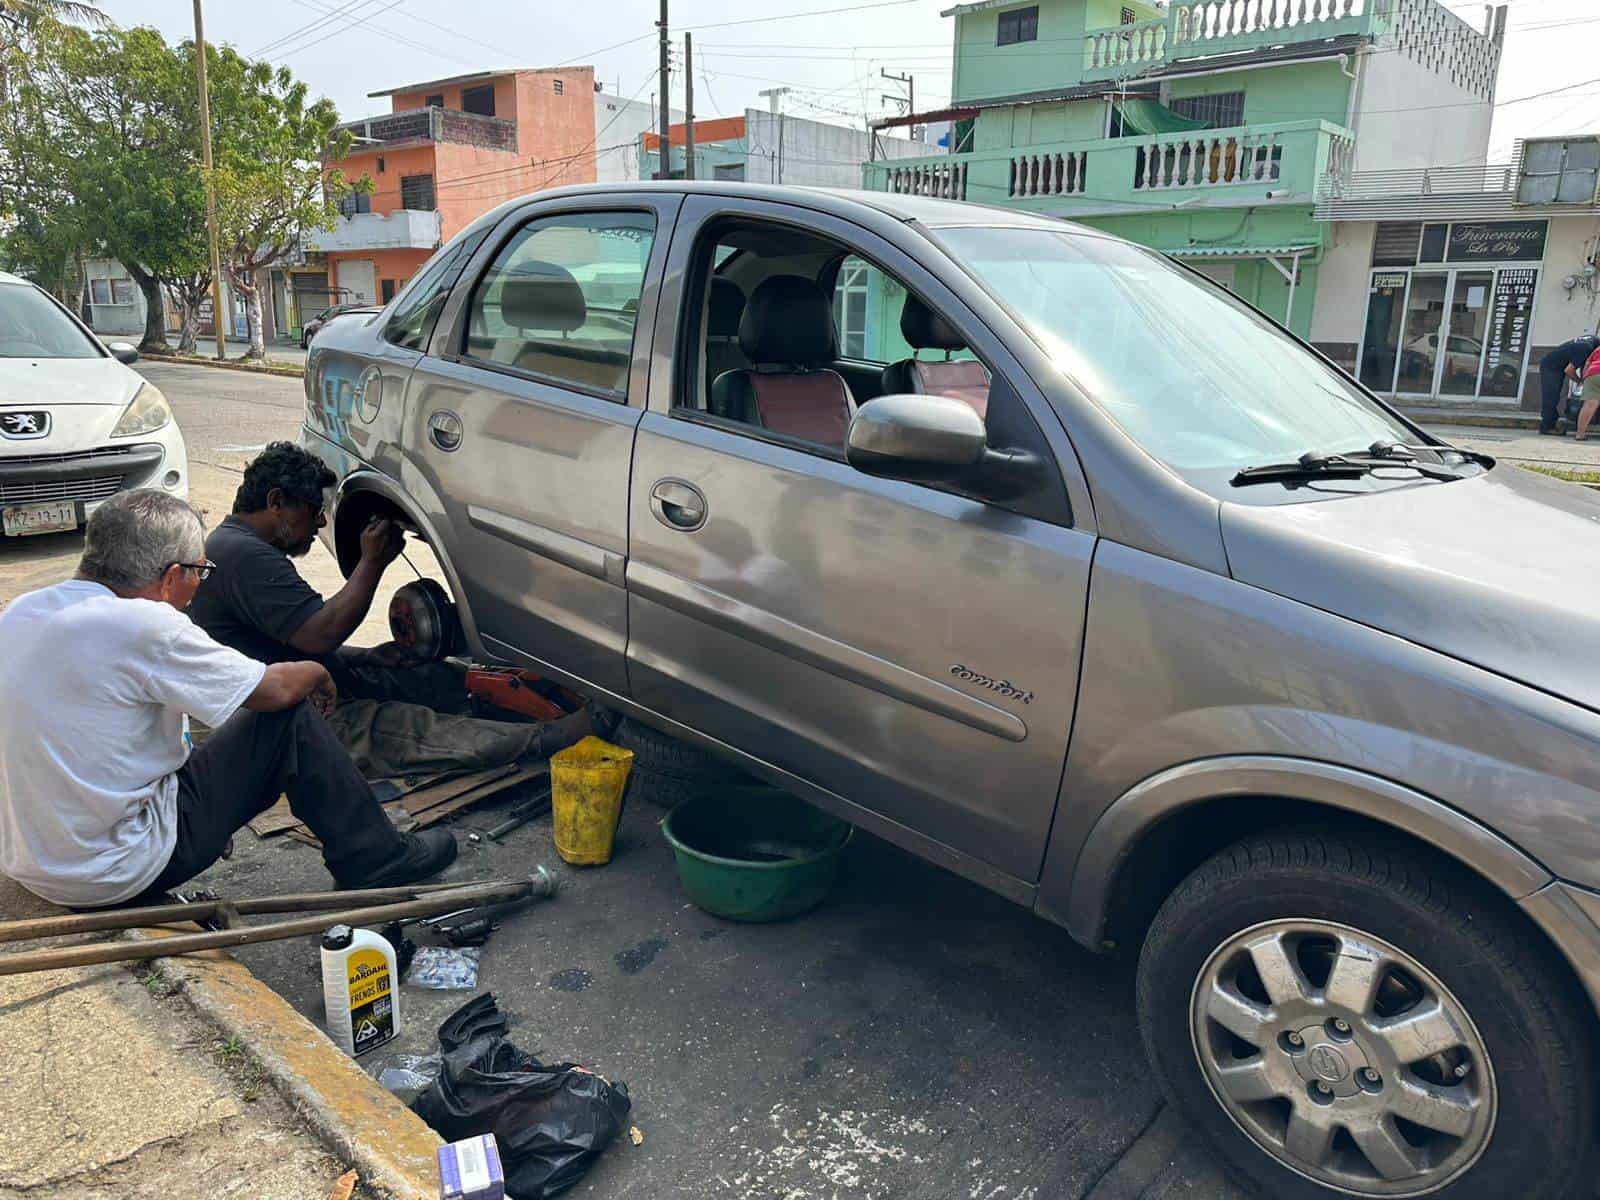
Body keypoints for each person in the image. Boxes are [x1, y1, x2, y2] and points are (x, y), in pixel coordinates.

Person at [0, 490, 455, 909]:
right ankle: (374, 857)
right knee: (288, 715)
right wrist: (316, 670)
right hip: (115, 868)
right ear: (172, 575)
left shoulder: (23, 611)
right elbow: (272, 691)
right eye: (199, 572)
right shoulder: (143, 624)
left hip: (36, 862)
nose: (199, 584)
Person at [184, 441, 451, 707]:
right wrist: (372, 563)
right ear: (276, 502)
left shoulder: (230, 543)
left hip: (309, 689)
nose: (322, 522)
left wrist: (364, 655)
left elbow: (287, 641)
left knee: (444, 679)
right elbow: (321, 634)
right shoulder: (246, 555)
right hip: (300, 714)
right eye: (315, 510)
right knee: (478, 739)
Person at [1537, 331, 1600, 436]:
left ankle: (1550, 424)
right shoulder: (1586, 348)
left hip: (1556, 364)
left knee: (1553, 396)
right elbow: (1569, 370)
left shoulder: (1590, 339)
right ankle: (1547, 427)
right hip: (1551, 367)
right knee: (1551, 396)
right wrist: (1580, 382)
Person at [1574, 341, 1600, 442]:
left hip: (1592, 374)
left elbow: (1588, 363)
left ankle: (1580, 434)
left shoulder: (1597, 349)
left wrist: (1585, 378)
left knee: (1589, 405)